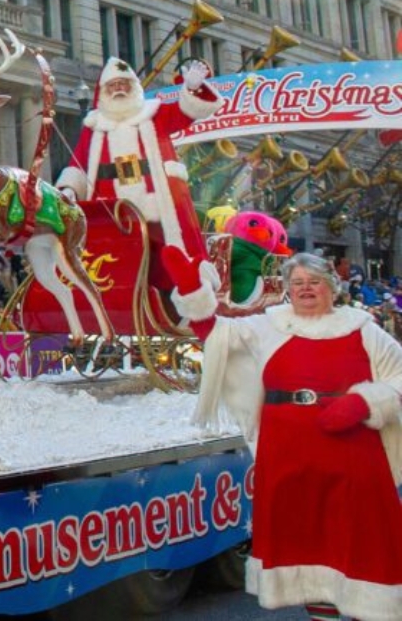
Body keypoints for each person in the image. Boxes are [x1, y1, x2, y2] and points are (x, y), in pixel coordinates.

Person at [170, 250, 402, 619]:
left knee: (359, 541)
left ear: (332, 287)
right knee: (308, 546)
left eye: (314, 282)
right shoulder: (269, 326)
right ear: (287, 290)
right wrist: (193, 295)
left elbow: (398, 377)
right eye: (298, 284)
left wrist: (364, 402)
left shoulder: (363, 328)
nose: (306, 289)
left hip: (354, 455)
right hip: (290, 454)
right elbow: (215, 336)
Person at [57, 57, 222, 294]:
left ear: (134, 86)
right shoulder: (94, 126)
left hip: (159, 204)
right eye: (112, 86)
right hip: (111, 211)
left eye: (124, 84)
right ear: (103, 91)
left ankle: (181, 305)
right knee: (117, 263)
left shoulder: (154, 114)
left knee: (171, 258)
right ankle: (123, 304)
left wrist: (192, 88)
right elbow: (79, 164)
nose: (118, 90)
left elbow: (187, 112)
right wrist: (70, 188)